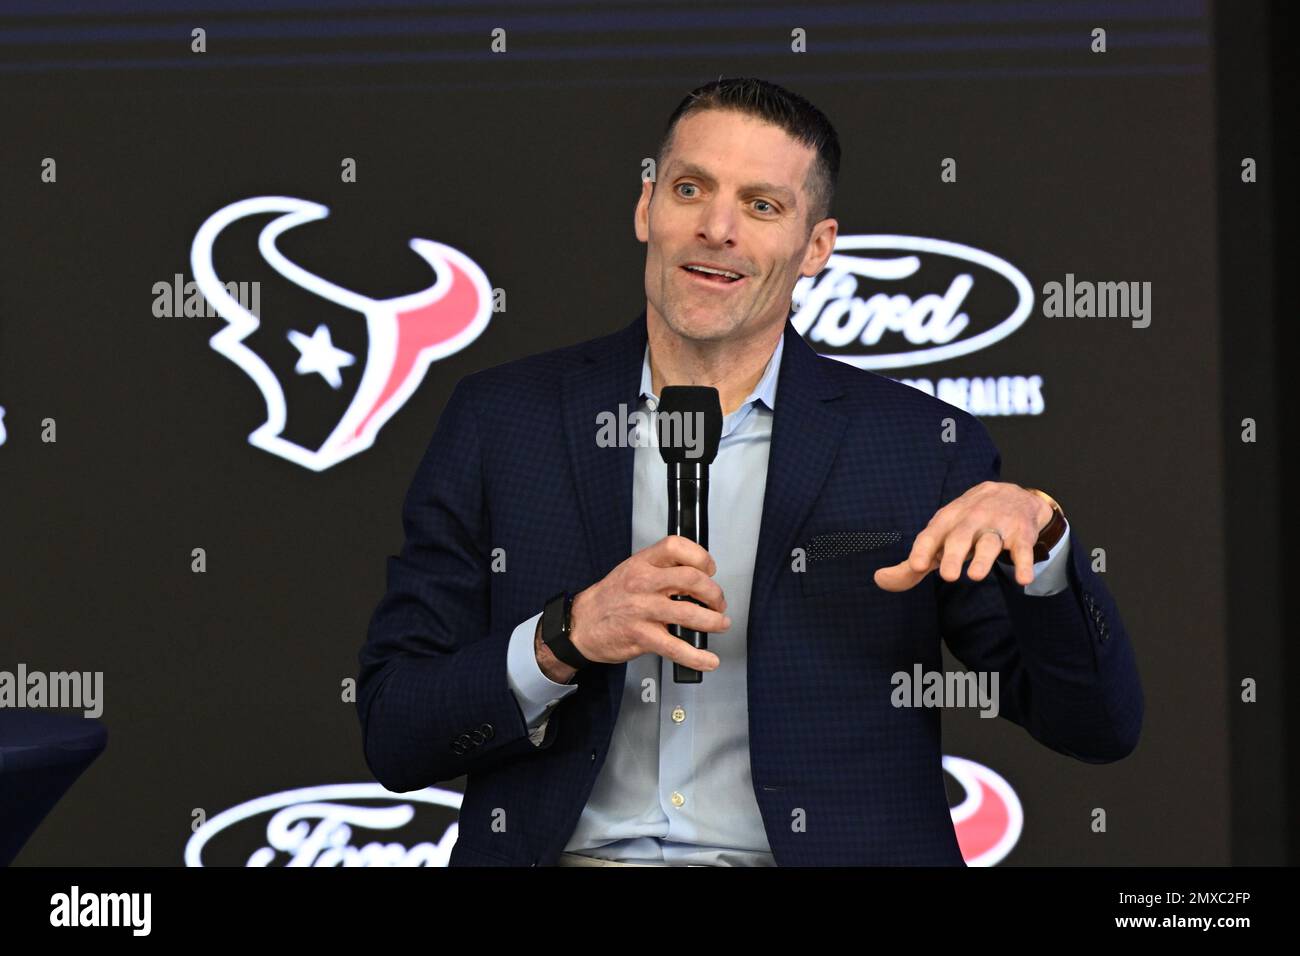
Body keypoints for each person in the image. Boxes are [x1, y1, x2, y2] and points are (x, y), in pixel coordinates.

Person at [356, 77, 1143, 867]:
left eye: (762, 205)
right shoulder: (502, 421)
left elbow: (1096, 728)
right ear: (646, 208)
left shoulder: (920, 444)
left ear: (817, 247)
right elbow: (395, 732)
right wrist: (566, 636)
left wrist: (1043, 553)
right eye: (690, 189)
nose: (717, 228)